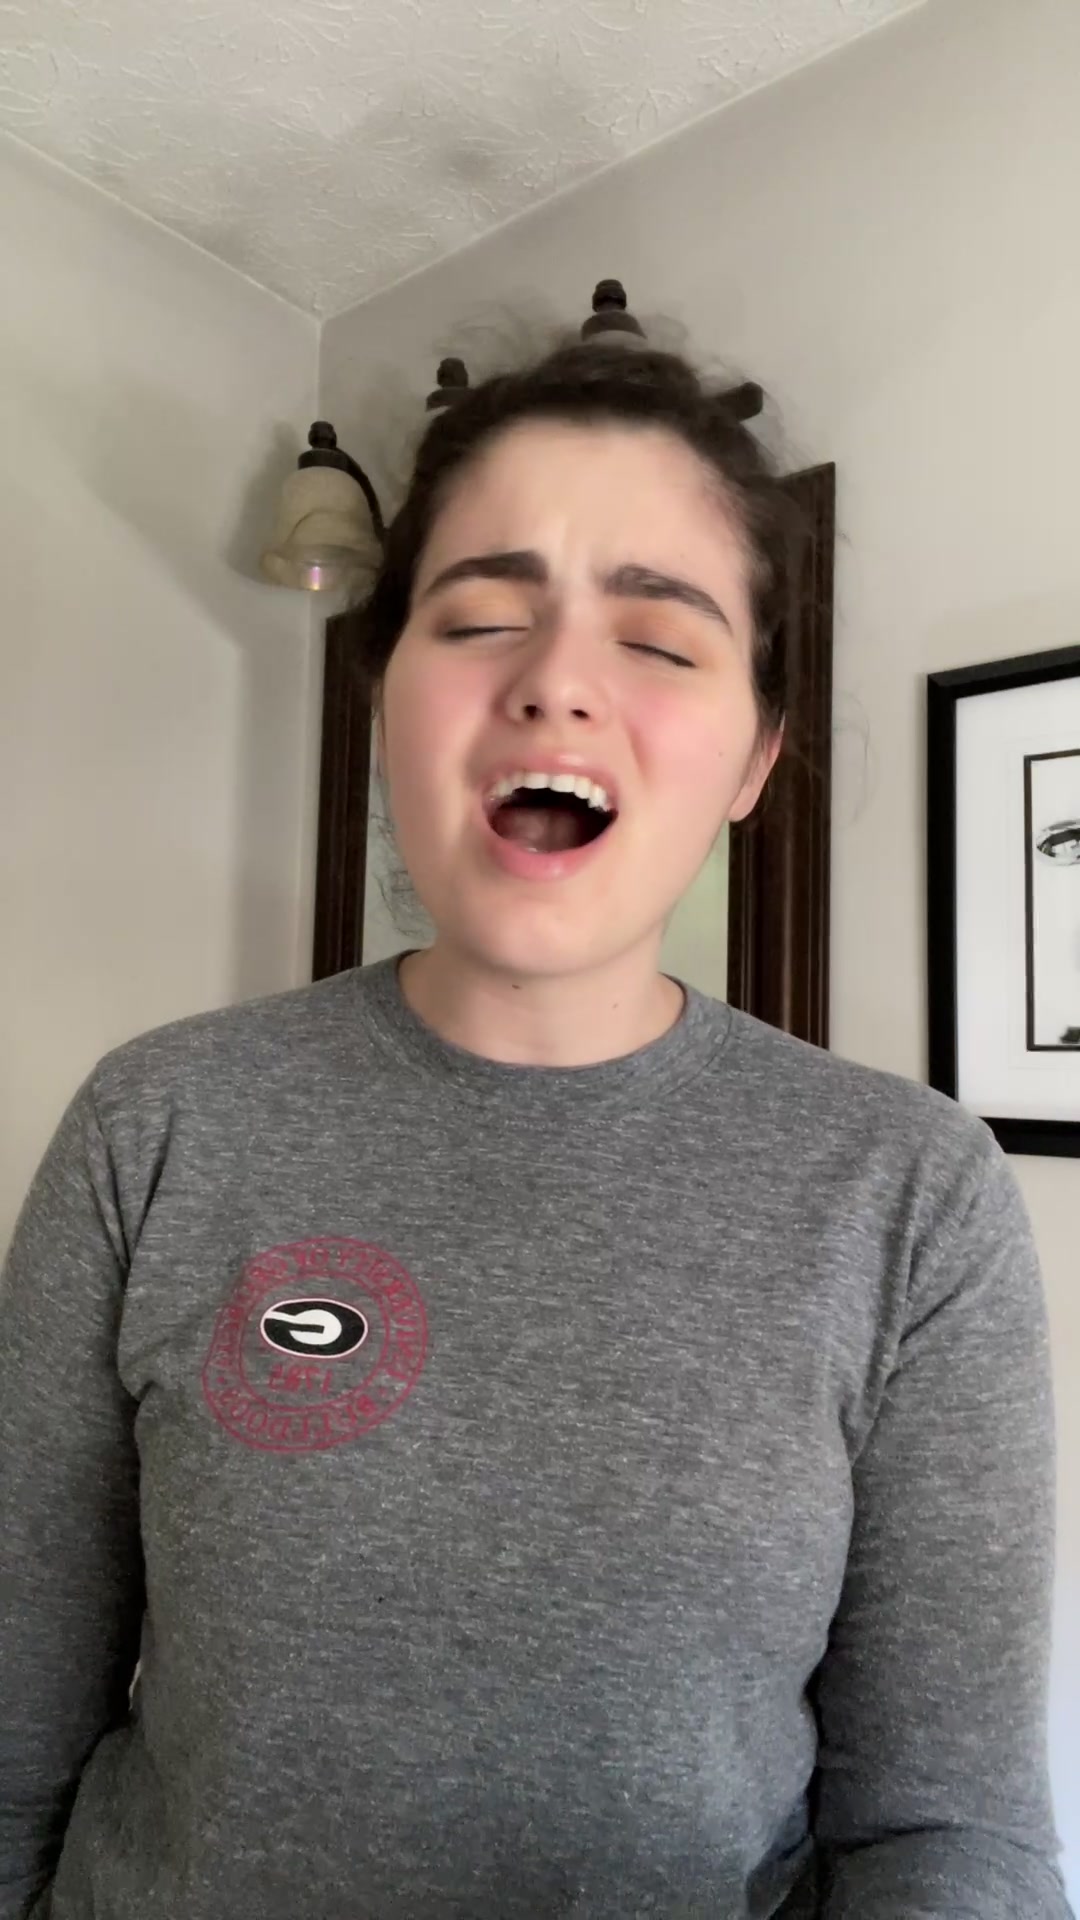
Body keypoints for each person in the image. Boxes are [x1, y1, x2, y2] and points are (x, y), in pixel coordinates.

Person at [0, 338, 1070, 1920]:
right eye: (482, 617)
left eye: (660, 637)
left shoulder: (914, 1194)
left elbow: (951, 1834)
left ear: (755, 759)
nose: (556, 680)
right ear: (385, 699)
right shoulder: (152, 1125)